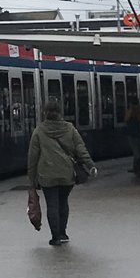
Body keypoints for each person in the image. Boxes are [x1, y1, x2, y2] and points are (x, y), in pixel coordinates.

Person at [28, 96, 96, 246]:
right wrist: (90, 165)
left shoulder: (39, 131)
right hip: (66, 174)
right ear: (60, 112)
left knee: (52, 204)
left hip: (47, 175)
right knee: (63, 202)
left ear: (45, 113)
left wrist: (31, 179)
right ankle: (63, 233)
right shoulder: (70, 128)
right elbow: (80, 149)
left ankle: (56, 236)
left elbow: (33, 157)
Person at [124, 97, 140, 177]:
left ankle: (136, 168)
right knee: (139, 151)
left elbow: (126, 119)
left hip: (132, 134)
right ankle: (138, 167)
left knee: (136, 152)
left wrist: (131, 110)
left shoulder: (131, 111)